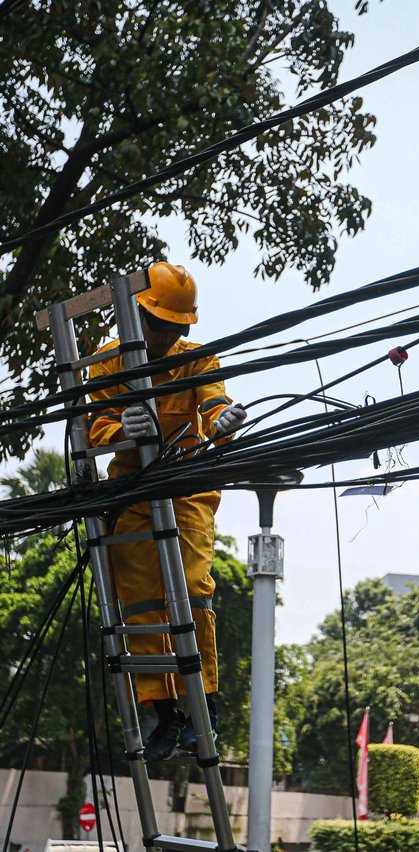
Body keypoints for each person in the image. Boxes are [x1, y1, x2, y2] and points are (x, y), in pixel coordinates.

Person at [88, 261, 246, 760]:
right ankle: (159, 709)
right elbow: (92, 425)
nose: (167, 335)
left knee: (192, 589)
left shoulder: (197, 358)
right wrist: (120, 430)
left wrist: (224, 420)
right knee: (138, 597)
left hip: (188, 485)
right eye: (161, 325)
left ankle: (205, 702)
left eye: (177, 327)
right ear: (136, 315)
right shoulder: (107, 363)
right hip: (132, 487)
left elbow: (215, 400)